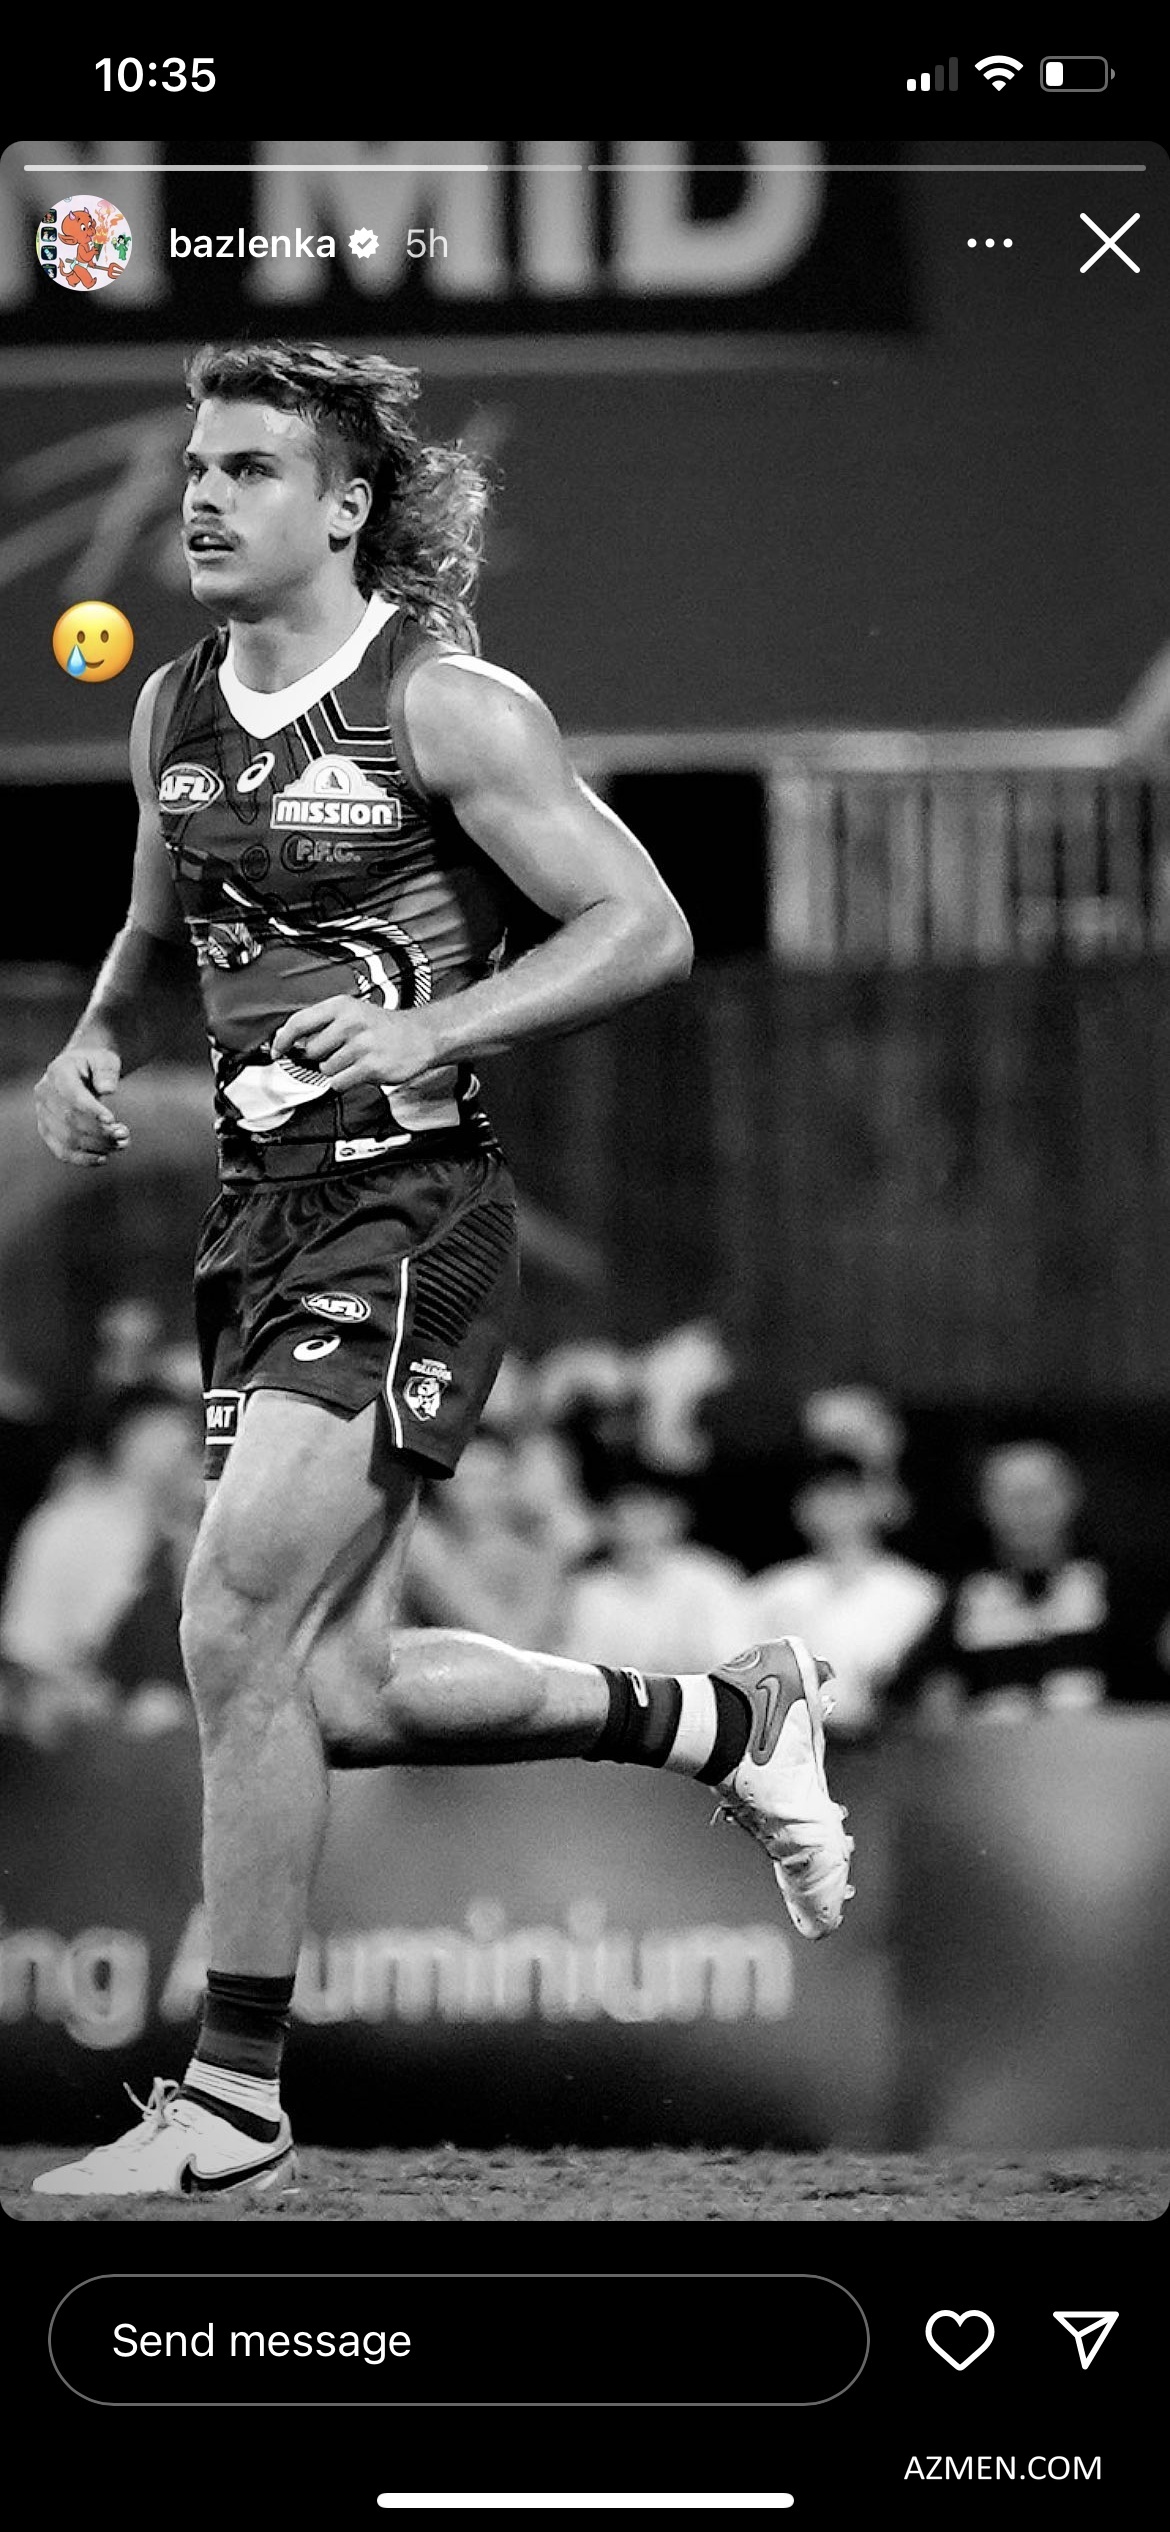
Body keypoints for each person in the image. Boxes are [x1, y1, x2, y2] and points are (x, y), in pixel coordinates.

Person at [30, 339, 851, 2198]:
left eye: (249, 469)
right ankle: (727, 1718)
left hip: (407, 1210)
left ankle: (233, 2101)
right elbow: (157, 926)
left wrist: (430, 1028)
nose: (203, 498)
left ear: (345, 507)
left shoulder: (445, 704)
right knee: (341, 1692)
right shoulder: (170, 710)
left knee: (229, 1625)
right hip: (257, 1221)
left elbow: (643, 925)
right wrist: (91, 1041)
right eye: (197, 468)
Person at [886, 1440, 1125, 1725]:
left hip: (1101, 1746)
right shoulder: (966, 1596)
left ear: (1072, 1495)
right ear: (984, 1504)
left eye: (1039, 1495)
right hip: (997, 1747)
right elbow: (914, 1693)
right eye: (1011, 1498)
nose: (1028, 1511)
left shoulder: (1118, 1585)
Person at [746, 1442, 943, 1740]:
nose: (834, 1504)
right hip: (792, 1746)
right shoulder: (770, 1592)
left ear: (874, 1500)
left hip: (888, 1743)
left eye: (846, 1491)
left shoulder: (918, 1594)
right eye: (820, 1492)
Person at [559, 1468, 752, 1677]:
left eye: (646, 1513)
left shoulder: (710, 1579)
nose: (635, 1525)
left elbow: (734, 1668)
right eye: (625, 1512)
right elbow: (581, 1675)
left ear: (673, 1516)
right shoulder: (588, 1592)